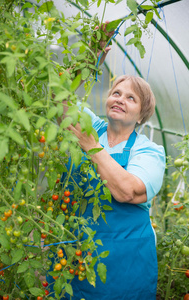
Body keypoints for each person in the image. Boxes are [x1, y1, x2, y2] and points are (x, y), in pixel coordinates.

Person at [47, 23, 165, 300]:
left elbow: (128, 191)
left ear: (141, 115)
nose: (120, 99)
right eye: (116, 93)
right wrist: (90, 57)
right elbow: (57, 95)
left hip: (125, 266)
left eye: (131, 98)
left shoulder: (149, 151)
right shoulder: (92, 125)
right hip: (77, 255)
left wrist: (91, 147)